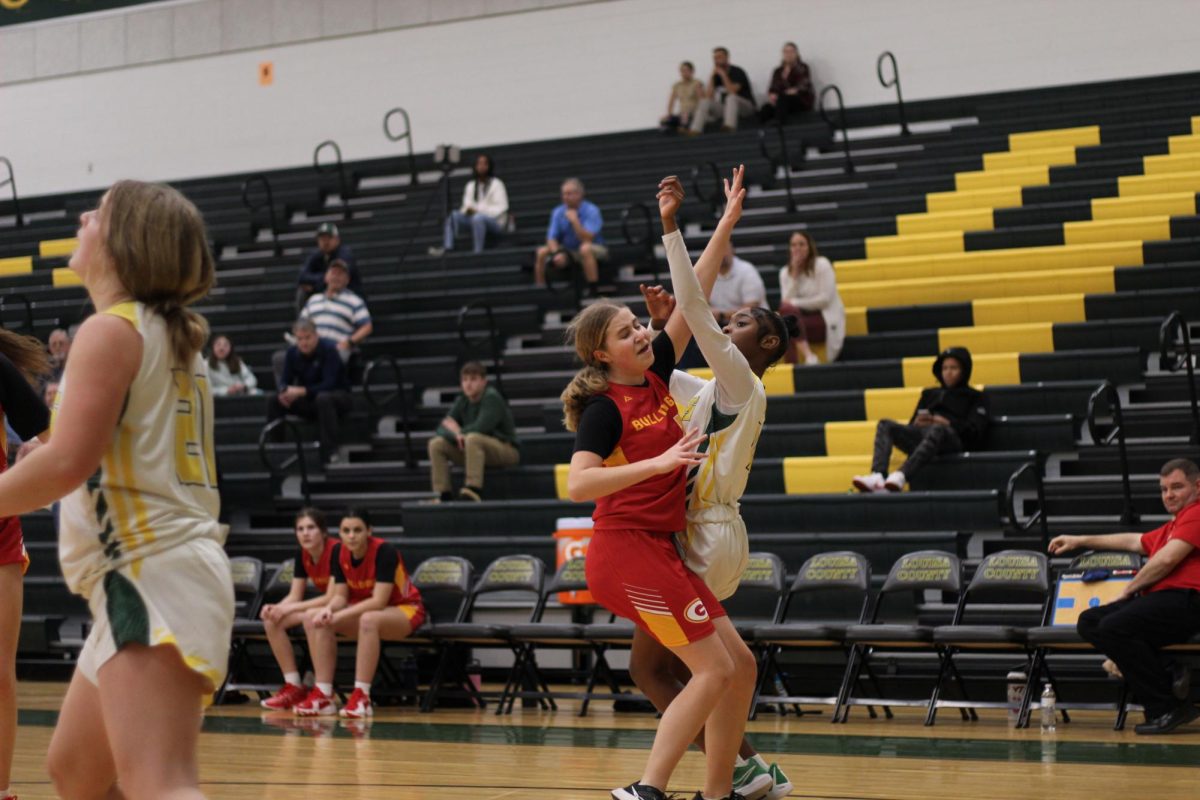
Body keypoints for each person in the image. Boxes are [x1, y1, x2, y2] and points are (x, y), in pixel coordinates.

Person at [0, 180, 232, 800]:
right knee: (76, 772)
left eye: (97, 213)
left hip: (148, 573)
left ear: (127, 242)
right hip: (158, 574)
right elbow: (96, 450)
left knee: (159, 784)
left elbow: (65, 468)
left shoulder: (109, 331)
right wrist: (51, 449)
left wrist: (46, 460)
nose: (81, 216)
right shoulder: (165, 333)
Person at [562, 242, 755, 798]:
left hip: (658, 550)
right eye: (625, 333)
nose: (641, 334)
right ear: (603, 356)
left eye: (636, 324)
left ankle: (719, 793)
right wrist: (659, 463)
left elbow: (692, 296)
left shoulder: (654, 374)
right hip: (625, 553)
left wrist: (724, 224)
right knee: (713, 670)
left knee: (737, 666)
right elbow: (578, 484)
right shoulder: (603, 411)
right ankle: (647, 789)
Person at [637, 169, 797, 799]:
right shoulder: (717, 388)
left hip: (704, 536)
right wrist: (660, 328)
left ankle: (727, 776)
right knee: (680, 666)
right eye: (728, 323)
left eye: (741, 323)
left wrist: (674, 226)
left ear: (769, 342)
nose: (728, 326)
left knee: (663, 668)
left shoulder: (742, 383)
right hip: (705, 532)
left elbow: (696, 312)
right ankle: (744, 769)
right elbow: (660, 373)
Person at [1049, 458, 1200, 735]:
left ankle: (1167, 706)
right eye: (1164, 489)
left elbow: (1166, 560)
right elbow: (1133, 541)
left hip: (1189, 600)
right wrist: (1080, 540)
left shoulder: (1197, 514)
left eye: (1177, 487)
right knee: (1089, 621)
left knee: (1113, 625)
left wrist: (1128, 590)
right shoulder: (1172, 527)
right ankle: (1169, 669)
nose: (1169, 495)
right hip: (1164, 603)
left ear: (1197, 486)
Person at [295, 508, 425, 719]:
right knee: (314, 617)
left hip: (405, 609)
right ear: (340, 533)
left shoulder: (385, 551)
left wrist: (339, 617)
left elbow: (378, 601)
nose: (352, 536)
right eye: (346, 530)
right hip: (369, 612)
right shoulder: (339, 552)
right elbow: (339, 597)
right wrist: (328, 611)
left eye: (357, 530)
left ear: (369, 531)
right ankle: (323, 694)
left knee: (368, 619)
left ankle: (362, 695)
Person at [0, 332, 51, 800]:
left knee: (0, 672)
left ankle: (1, 787)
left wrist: (28, 466)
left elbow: (54, 439)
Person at [853, 347, 989, 493]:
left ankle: (901, 475)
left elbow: (975, 432)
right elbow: (911, 425)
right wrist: (918, 423)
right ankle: (878, 475)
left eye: (954, 368)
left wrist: (945, 423)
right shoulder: (929, 394)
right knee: (885, 424)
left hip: (952, 440)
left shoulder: (976, 397)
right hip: (924, 436)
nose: (948, 372)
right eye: (944, 368)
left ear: (964, 370)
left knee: (938, 429)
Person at [259, 508, 340, 710]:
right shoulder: (301, 555)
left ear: (323, 532)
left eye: (311, 527)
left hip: (342, 604)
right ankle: (293, 685)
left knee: (309, 618)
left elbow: (331, 597)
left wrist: (288, 609)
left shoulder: (337, 550)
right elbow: (295, 595)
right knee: (271, 620)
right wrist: (276, 608)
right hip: (323, 606)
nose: (305, 533)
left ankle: (323, 691)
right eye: (300, 529)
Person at [427, 361, 519, 502]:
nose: (468, 384)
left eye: (473, 379)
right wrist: (457, 434)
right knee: (436, 444)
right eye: (465, 380)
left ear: (484, 382)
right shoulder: (462, 400)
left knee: (473, 438)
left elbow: (481, 427)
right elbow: (442, 428)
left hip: (506, 450)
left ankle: (473, 489)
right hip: (475, 452)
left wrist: (458, 431)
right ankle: (442, 494)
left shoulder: (491, 397)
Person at [266, 318, 352, 464]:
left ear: (316, 335)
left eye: (307, 338)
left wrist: (302, 391)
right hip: (311, 399)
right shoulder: (292, 353)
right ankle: (276, 448)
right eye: (300, 339)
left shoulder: (329, 350)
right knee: (274, 399)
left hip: (338, 397)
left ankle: (330, 451)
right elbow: (284, 380)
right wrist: (284, 392)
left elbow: (329, 383)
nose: (304, 343)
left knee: (323, 398)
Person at [777, 231, 845, 365]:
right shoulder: (785, 272)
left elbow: (824, 300)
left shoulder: (822, 265)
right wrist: (795, 275)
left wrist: (795, 303)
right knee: (786, 322)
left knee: (787, 324)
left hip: (824, 319)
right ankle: (808, 357)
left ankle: (794, 366)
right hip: (800, 320)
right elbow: (785, 303)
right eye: (794, 245)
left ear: (809, 247)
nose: (797, 248)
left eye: (802, 244)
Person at [533, 178, 608, 296]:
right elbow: (551, 238)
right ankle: (541, 290)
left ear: (579, 194)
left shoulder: (592, 210)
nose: (565, 197)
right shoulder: (558, 212)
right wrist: (557, 253)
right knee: (541, 251)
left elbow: (587, 238)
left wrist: (575, 221)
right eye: (563, 194)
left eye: (569, 194)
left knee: (585, 248)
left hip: (594, 247)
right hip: (568, 250)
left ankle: (593, 289)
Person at [299, 259, 372, 363]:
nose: (336, 276)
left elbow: (367, 327)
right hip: (312, 347)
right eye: (333, 273)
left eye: (340, 274)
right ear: (326, 277)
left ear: (347, 280)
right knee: (282, 357)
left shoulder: (354, 301)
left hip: (336, 347)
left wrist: (349, 342)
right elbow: (302, 324)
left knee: (334, 357)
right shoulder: (313, 300)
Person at [439, 154, 509, 254]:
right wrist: (470, 211)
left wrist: (480, 211)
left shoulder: (497, 184)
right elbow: (466, 206)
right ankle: (448, 247)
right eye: (479, 164)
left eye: (484, 164)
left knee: (478, 218)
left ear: (489, 166)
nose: (481, 167)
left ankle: (477, 251)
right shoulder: (470, 185)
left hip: (495, 222)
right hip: (473, 218)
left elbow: (502, 207)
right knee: (453, 215)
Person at [689, 47, 756, 135]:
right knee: (704, 102)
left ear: (727, 57)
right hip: (727, 109)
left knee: (731, 98)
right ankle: (695, 130)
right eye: (715, 58)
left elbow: (732, 91)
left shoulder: (738, 71)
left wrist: (723, 74)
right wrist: (712, 77)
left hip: (746, 107)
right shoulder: (716, 76)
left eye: (719, 57)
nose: (717, 60)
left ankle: (729, 127)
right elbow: (708, 97)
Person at [295, 222, 361, 310]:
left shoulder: (345, 254)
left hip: (347, 294)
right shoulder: (317, 255)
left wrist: (315, 285)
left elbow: (337, 279)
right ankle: (303, 322)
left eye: (329, 238)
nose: (325, 242)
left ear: (337, 239)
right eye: (322, 238)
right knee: (302, 291)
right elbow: (301, 277)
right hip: (325, 294)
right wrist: (323, 279)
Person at [710, 244, 768, 324]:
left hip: (753, 323)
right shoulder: (707, 273)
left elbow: (752, 308)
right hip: (718, 325)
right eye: (717, 249)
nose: (721, 253)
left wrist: (721, 315)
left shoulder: (747, 270)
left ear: (733, 251)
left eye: (724, 248)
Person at [758, 42, 814, 124]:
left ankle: (779, 125)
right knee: (765, 108)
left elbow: (803, 86)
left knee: (783, 99)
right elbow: (773, 87)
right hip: (781, 101)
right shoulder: (778, 71)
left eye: (791, 52)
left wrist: (787, 93)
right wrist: (772, 95)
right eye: (786, 52)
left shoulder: (803, 68)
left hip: (799, 100)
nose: (788, 54)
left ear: (796, 53)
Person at [660, 61, 706, 133]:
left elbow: (702, 100)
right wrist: (669, 114)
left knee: (685, 115)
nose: (684, 73)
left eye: (686, 70)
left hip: (693, 114)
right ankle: (679, 127)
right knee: (664, 120)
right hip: (682, 114)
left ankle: (684, 127)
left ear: (692, 71)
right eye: (682, 71)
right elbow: (671, 102)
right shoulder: (677, 85)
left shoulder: (697, 83)